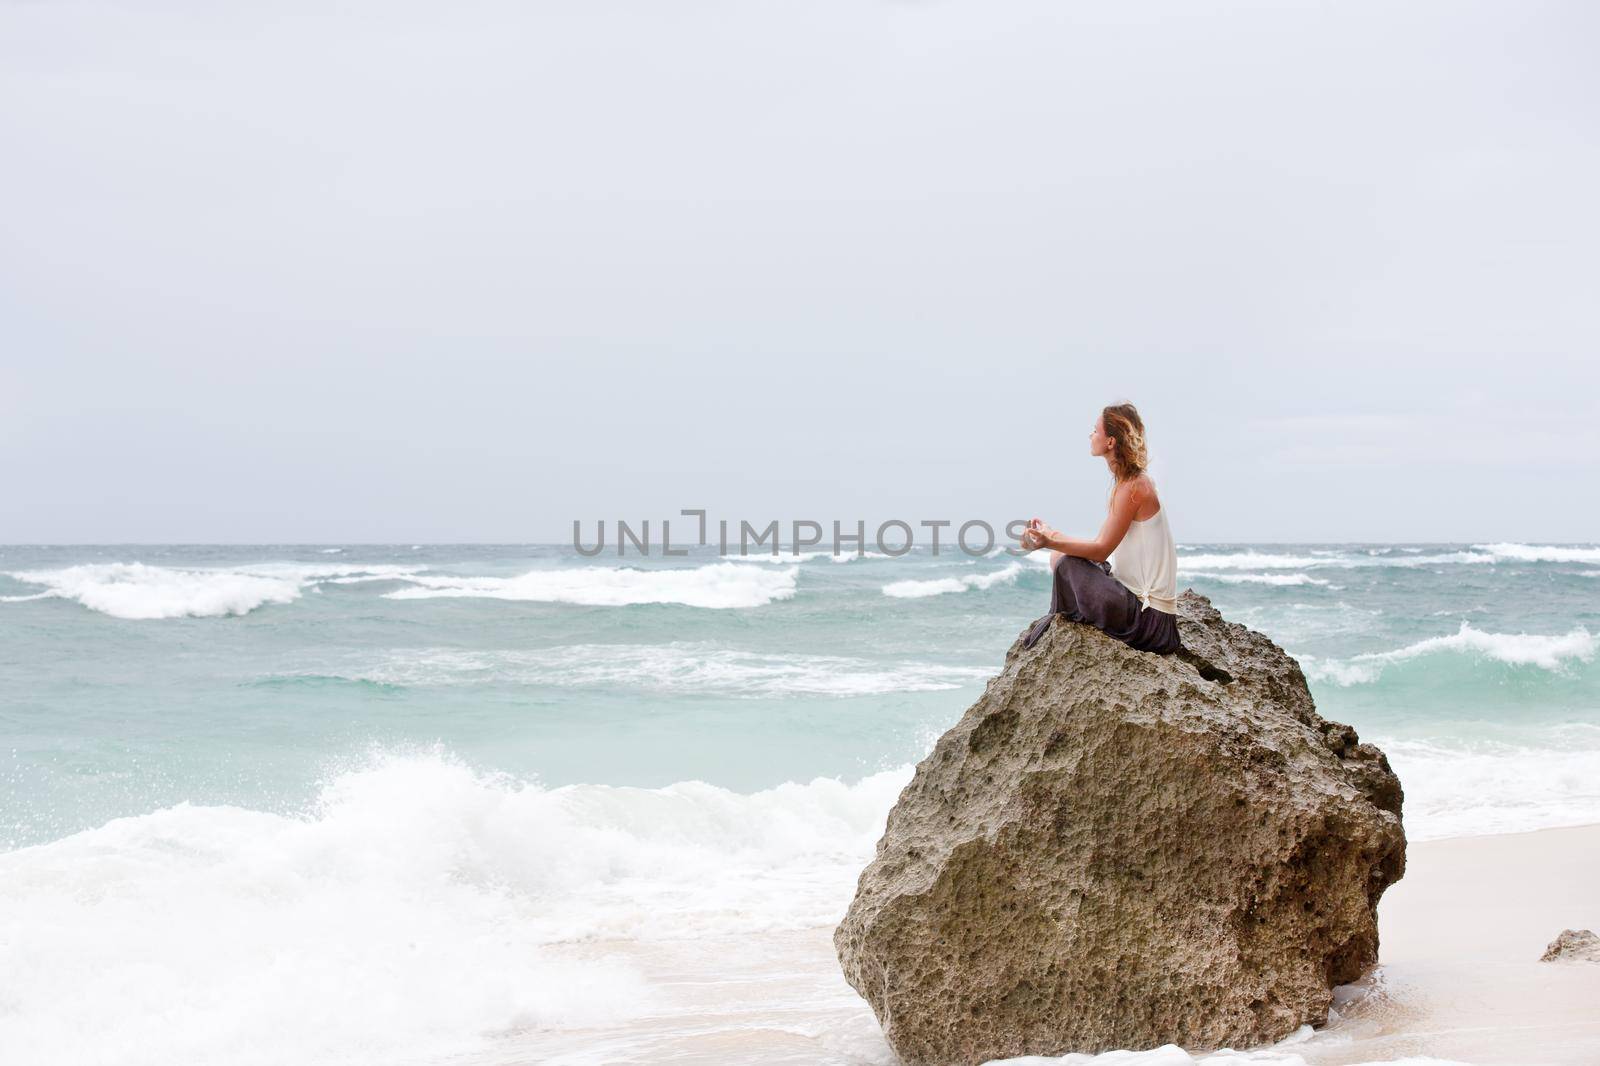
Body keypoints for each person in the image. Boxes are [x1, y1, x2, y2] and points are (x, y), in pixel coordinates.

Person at [1018, 402, 1182, 655]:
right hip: (1139, 607)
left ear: (1111, 442)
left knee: (1067, 564)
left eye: (1095, 431)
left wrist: (1048, 541)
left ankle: (1064, 617)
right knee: (1059, 557)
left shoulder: (1135, 487)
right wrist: (1050, 535)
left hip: (1150, 622)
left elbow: (1100, 550)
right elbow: (1099, 543)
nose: (1091, 435)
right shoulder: (1129, 483)